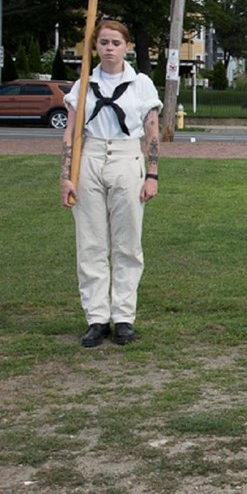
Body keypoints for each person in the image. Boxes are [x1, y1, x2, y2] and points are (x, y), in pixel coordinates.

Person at [60, 20, 163, 348]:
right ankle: (96, 317)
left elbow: (151, 130)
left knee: (127, 243)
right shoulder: (83, 83)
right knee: (91, 242)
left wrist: (152, 173)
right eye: (103, 42)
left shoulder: (141, 83)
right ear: (95, 47)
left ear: (127, 46)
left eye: (115, 42)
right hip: (90, 156)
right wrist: (66, 175)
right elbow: (70, 133)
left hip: (126, 158)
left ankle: (123, 317)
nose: (109, 48)